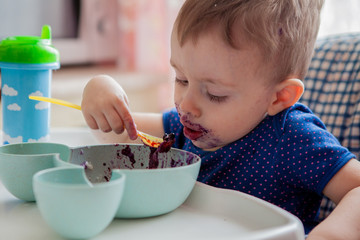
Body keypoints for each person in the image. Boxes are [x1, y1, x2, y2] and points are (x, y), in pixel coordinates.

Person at [81, 0, 360, 238]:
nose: (186, 103)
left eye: (214, 94)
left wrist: (330, 234)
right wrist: (101, 93)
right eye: (181, 79)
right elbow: (119, 133)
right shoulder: (187, 125)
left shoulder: (292, 137)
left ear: (279, 97)